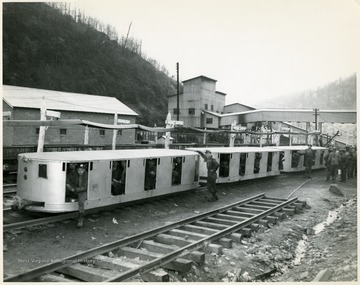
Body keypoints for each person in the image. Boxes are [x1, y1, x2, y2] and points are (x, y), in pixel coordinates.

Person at [66, 164, 88, 228]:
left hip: (82, 191)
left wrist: (74, 189)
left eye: (82, 170)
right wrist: (69, 185)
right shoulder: (74, 174)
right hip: (76, 189)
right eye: (79, 170)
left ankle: (80, 219)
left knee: (81, 202)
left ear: (84, 170)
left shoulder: (86, 175)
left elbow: (84, 187)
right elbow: (68, 179)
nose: (80, 172)